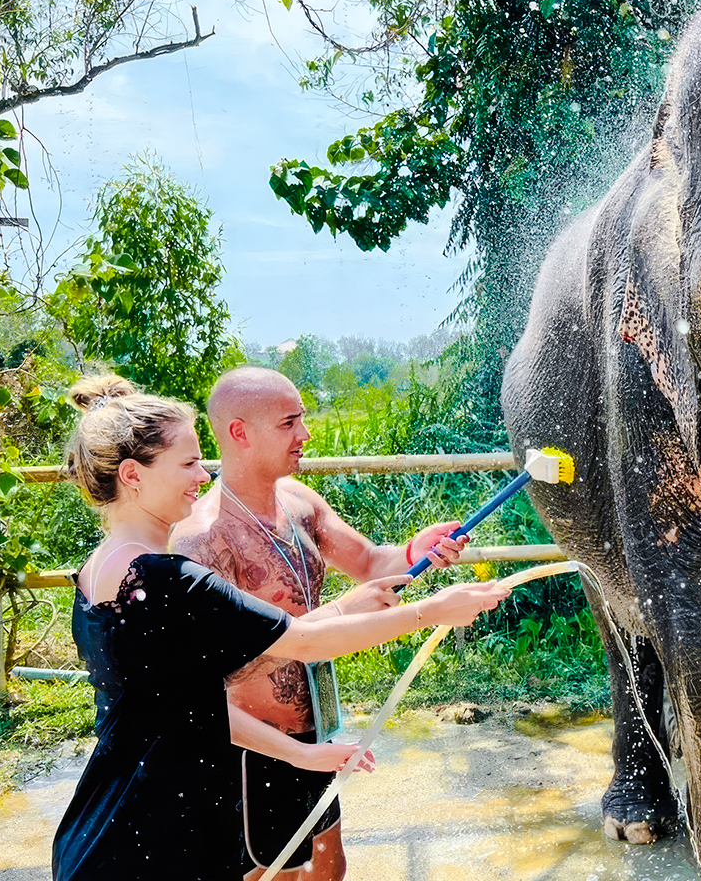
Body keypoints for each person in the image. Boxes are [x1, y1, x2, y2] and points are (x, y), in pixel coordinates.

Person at [51, 375, 509, 881]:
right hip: (159, 836)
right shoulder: (172, 570)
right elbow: (300, 642)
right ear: (134, 476)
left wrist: (301, 753)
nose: (201, 475)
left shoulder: (97, 573)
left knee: (325, 868)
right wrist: (432, 611)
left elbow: (188, 708)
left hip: (114, 821)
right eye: (186, 464)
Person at [167, 365, 468, 880]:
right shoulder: (201, 539)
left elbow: (373, 564)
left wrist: (418, 549)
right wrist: (342, 615)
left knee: (330, 870)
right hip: (254, 749)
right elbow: (207, 677)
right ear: (240, 432)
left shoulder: (300, 502)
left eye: (302, 420)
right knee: (273, 874)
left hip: (318, 730)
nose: (305, 435)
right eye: (289, 423)